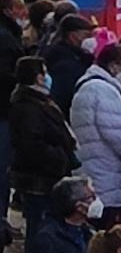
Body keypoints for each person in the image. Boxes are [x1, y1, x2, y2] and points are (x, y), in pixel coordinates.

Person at [69, 41, 121, 224]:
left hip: (91, 169)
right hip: (107, 176)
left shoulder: (85, 86)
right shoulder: (104, 91)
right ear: (112, 66)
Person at [9, 51, 76, 243]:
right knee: (41, 232)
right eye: (44, 72)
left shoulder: (37, 100)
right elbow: (32, 145)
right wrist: (59, 157)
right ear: (38, 77)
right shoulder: (28, 106)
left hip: (45, 175)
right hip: (39, 178)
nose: (47, 77)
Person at [25, 174, 96, 253]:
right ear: (78, 205)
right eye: (92, 198)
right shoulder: (48, 237)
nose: (97, 202)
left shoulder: (88, 232)